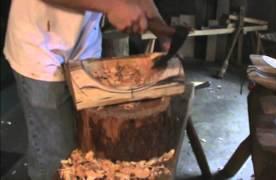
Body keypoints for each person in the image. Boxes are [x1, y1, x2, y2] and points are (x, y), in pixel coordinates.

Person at [4, 0, 168, 179]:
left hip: (84, 47)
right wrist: (113, 7)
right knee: (57, 157)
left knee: (89, 146)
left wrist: (161, 29)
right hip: (40, 48)